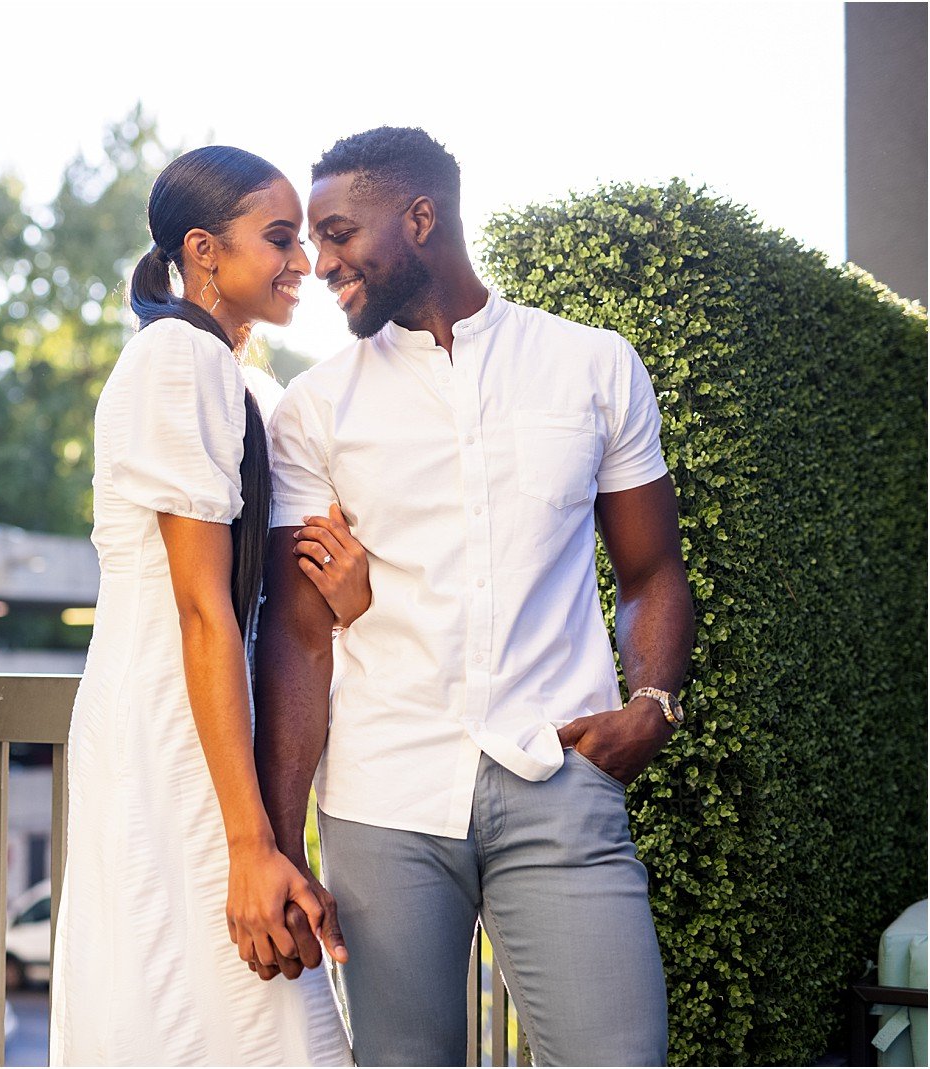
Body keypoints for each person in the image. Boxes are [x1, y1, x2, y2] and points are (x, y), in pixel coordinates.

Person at [253, 127, 696, 1067]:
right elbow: (297, 635)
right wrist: (282, 840)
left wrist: (651, 706)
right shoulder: (315, 410)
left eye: (337, 232)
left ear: (421, 218)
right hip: (384, 797)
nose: (317, 261)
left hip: (559, 775)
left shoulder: (592, 366)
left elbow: (651, 570)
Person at [49, 146, 366, 1066]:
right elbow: (200, 611)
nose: (302, 261)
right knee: (219, 998)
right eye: (279, 239)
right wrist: (248, 838)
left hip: (195, 719)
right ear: (204, 250)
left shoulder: (228, 375)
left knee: (218, 1004)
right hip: (175, 728)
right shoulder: (178, 360)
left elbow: (259, 594)